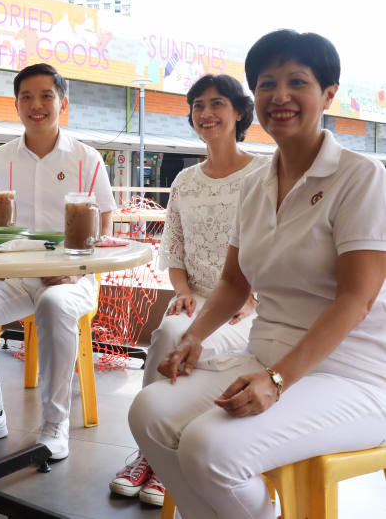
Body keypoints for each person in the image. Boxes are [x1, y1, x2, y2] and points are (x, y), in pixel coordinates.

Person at [128, 29, 386, 519]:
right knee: (150, 412)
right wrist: (195, 338)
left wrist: (277, 379)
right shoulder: (256, 185)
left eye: (298, 82)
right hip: (262, 354)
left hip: (350, 375)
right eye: (267, 83)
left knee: (210, 449)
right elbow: (233, 284)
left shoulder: (361, 178)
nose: (280, 96)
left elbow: (356, 300)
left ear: (329, 93)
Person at [110, 74, 266, 506]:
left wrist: (252, 297)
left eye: (217, 103)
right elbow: (173, 249)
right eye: (198, 105)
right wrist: (180, 289)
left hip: (250, 305)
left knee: (179, 340)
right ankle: (152, 452)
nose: (206, 113)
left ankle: (162, 458)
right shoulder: (185, 181)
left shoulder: (264, 174)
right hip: (195, 296)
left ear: (239, 113)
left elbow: (274, 250)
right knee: (168, 333)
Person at [0, 63, 117, 461]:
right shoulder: (0, 158)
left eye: (46, 96)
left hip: (74, 277)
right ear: (15, 105)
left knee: (54, 304)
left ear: (62, 103)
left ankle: (54, 423)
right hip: (13, 276)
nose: (36, 105)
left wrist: (74, 270)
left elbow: (104, 226)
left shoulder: (87, 159)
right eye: (26, 97)